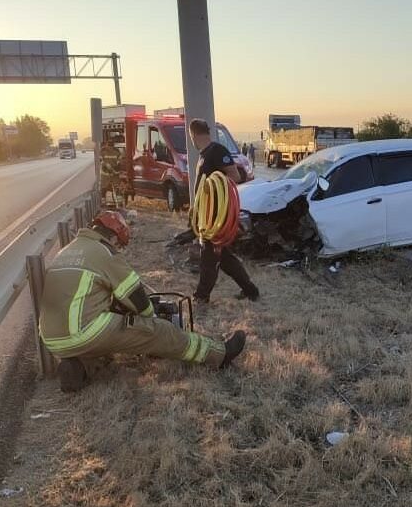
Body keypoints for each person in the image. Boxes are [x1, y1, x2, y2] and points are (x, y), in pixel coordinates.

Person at [39, 210, 246, 392]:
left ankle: (78, 368)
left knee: (104, 348)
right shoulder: (104, 252)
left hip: (52, 340)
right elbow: (138, 299)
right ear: (113, 237)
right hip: (85, 331)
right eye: (119, 244)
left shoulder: (65, 251)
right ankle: (219, 355)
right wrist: (151, 318)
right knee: (158, 331)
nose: (118, 248)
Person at [188, 118, 259, 309]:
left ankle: (201, 297)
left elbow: (234, 176)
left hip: (216, 218)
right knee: (225, 258)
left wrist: (212, 189)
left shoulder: (217, 151)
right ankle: (251, 290)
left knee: (208, 257)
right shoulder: (204, 154)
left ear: (192, 135)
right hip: (206, 215)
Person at [99, 138, 122, 202]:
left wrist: (112, 169)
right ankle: (118, 202)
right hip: (110, 173)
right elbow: (119, 162)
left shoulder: (103, 150)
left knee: (104, 188)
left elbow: (101, 161)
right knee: (116, 188)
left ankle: (104, 201)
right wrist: (115, 170)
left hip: (107, 173)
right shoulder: (117, 151)